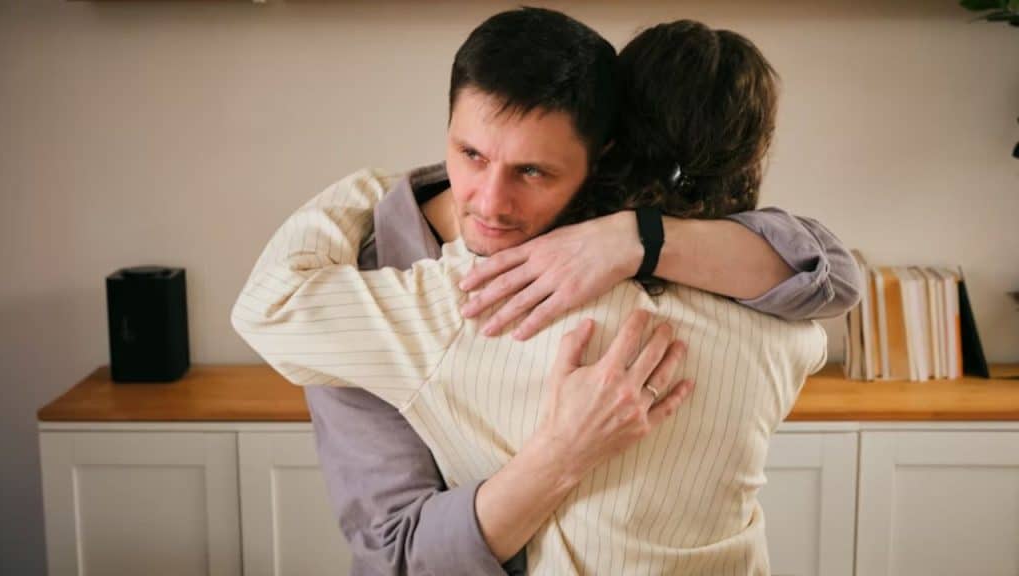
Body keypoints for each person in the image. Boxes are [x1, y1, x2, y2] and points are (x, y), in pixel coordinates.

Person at [233, 8, 859, 575]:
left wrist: (634, 237)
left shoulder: (517, 280)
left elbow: (827, 269)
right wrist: (561, 454)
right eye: (470, 154)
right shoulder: (385, 286)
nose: (492, 203)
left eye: (534, 171)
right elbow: (397, 554)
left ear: (600, 159)